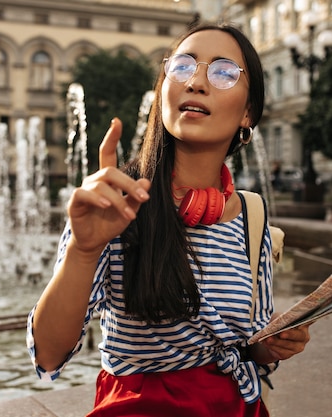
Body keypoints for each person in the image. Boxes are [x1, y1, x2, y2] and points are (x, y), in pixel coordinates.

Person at [27, 22, 311, 417]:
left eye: (224, 72)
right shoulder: (116, 202)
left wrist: (273, 343)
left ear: (248, 113)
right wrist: (82, 249)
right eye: (182, 67)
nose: (196, 82)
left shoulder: (253, 215)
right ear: (163, 91)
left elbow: (250, 343)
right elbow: (48, 355)